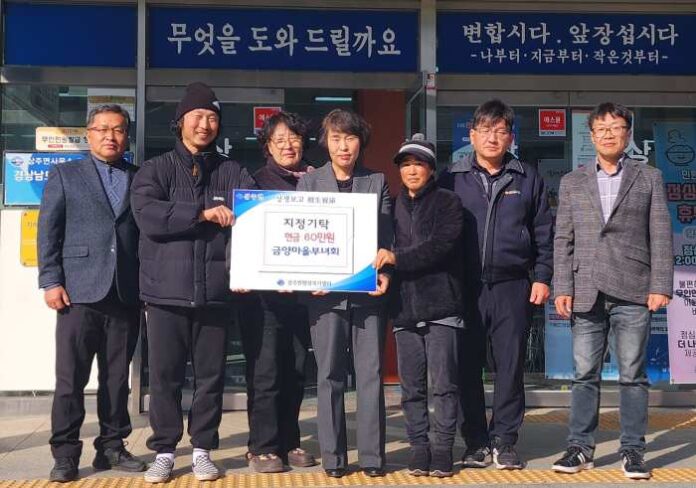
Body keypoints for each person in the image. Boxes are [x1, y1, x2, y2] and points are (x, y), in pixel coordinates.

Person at [130, 82, 255, 483]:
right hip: (164, 293)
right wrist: (201, 213)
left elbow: (257, 218)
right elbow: (148, 215)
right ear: (180, 121)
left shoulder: (233, 171)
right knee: (164, 376)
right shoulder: (156, 168)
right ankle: (165, 451)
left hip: (216, 293)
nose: (205, 124)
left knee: (211, 377)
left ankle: (202, 450)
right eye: (197, 116)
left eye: (212, 117)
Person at [551, 102, 673, 480]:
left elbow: (660, 233)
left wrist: (660, 284)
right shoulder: (572, 181)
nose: (608, 134)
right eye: (601, 128)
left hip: (633, 287)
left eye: (616, 127)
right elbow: (563, 238)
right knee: (583, 374)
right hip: (585, 287)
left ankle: (633, 450)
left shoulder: (649, 177)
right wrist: (562, 285)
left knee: (632, 374)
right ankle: (580, 448)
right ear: (591, 136)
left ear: (628, 134)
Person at [439, 99, 554, 470]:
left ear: (511, 137)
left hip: (512, 286)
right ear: (472, 135)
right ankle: (475, 441)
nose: (492, 138)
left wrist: (542, 276)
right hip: (464, 288)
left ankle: (505, 440)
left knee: (510, 367)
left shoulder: (527, 177)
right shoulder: (451, 178)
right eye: (486, 130)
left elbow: (543, 232)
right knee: (466, 367)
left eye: (500, 131)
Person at [38, 104, 146, 482]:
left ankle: (111, 446)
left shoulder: (139, 177)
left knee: (117, 379)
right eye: (102, 129)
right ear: (89, 134)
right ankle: (65, 454)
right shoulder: (65, 174)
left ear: (126, 136)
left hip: (125, 291)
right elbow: (48, 231)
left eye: (118, 130)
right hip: (77, 291)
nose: (110, 136)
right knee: (71, 379)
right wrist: (51, 280)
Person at [296, 109, 392, 478]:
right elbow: (302, 235)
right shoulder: (309, 183)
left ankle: (372, 457)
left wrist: (386, 271)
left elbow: (386, 236)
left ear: (360, 142)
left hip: (367, 293)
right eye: (336, 138)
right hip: (324, 296)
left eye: (350, 138)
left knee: (371, 374)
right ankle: (334, 458)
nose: (343, 146)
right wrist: (307, 276)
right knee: (329, 375)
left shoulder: (377, 181)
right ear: (326, 142)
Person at [374, 134, 464, 478]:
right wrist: (384, 272)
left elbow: (440, 246)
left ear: (431, 168)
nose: (412, 170)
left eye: (419, 164)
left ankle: (442, 449)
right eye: (406, 164)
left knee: (444, 385)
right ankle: (418, 448)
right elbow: (381, 248)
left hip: (443, 306)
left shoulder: (448, 202)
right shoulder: (392, 205)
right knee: (411, 388)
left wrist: (396, 258)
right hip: (404, 308)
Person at [239, 111, 317, 472]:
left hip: (304, 296)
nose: (288, 145)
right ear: (267, 146)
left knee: (296, 370)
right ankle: (262, 445)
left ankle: (290, 440)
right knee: (266, 371)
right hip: (263, 297)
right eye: (280, 140)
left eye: (294, 138)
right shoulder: (254, 182)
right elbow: (241, 234)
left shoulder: (317, 181)